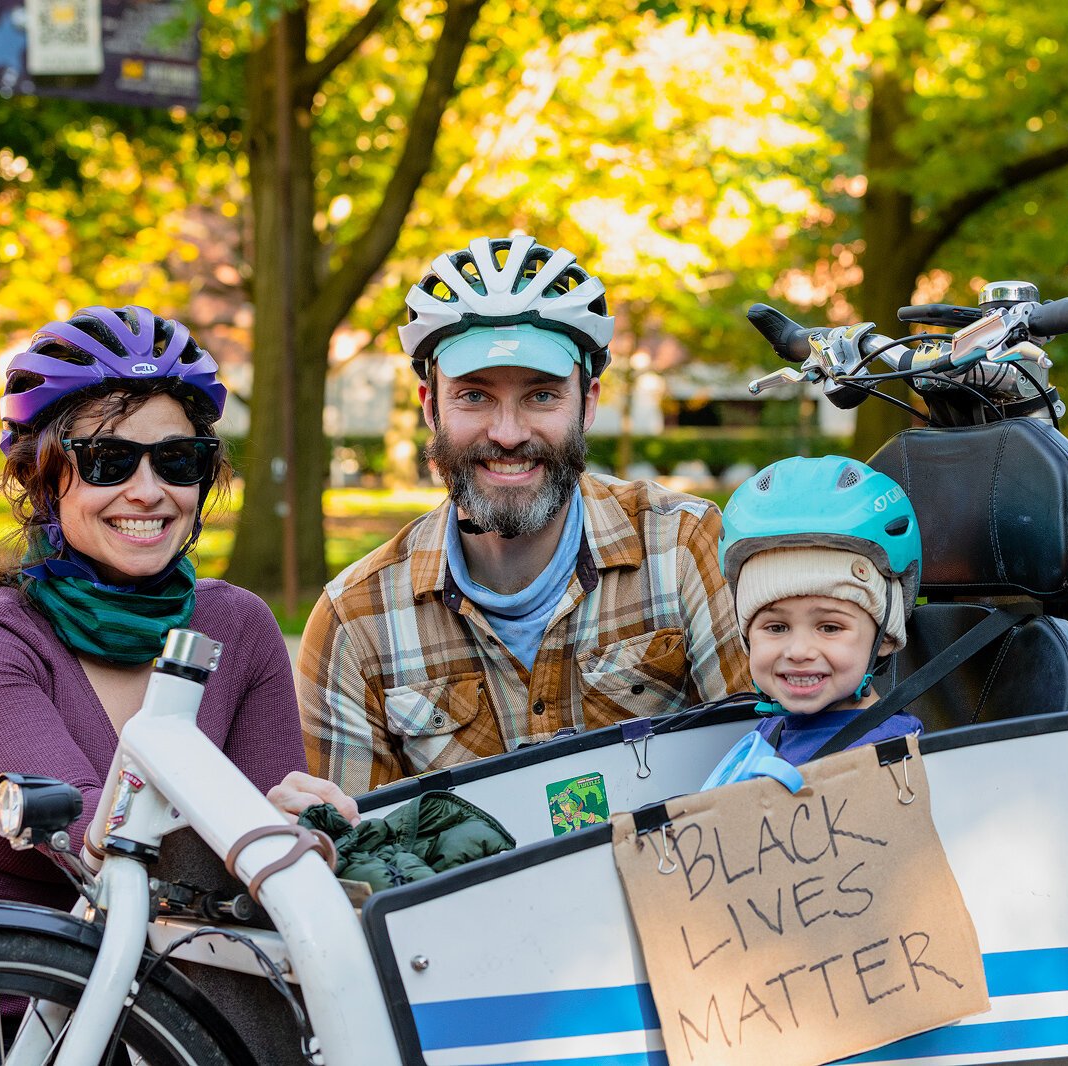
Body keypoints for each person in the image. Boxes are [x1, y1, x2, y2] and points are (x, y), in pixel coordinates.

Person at [0, 305, 349, 956]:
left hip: (144, 1012)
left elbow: (260, 876)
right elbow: (100, 843)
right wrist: (259, 829)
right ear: (43, 476)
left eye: (176, 459)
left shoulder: (239, 627)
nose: (148, 491)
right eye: (108, 460)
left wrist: (309, 822)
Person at [299, 235, 750, 791]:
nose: (508, 433)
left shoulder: (684, 546)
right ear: (429, 406)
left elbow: (770, 773)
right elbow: (362, 862)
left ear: (587, 403)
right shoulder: (355, 623)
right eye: (473, 395)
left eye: (541, 396)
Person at [715, 454, 923, 766]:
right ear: (747, 636)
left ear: (886, 637)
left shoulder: (889, 758)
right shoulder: (770, 733)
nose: (799, 651)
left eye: (829, 627)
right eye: (776, 628)